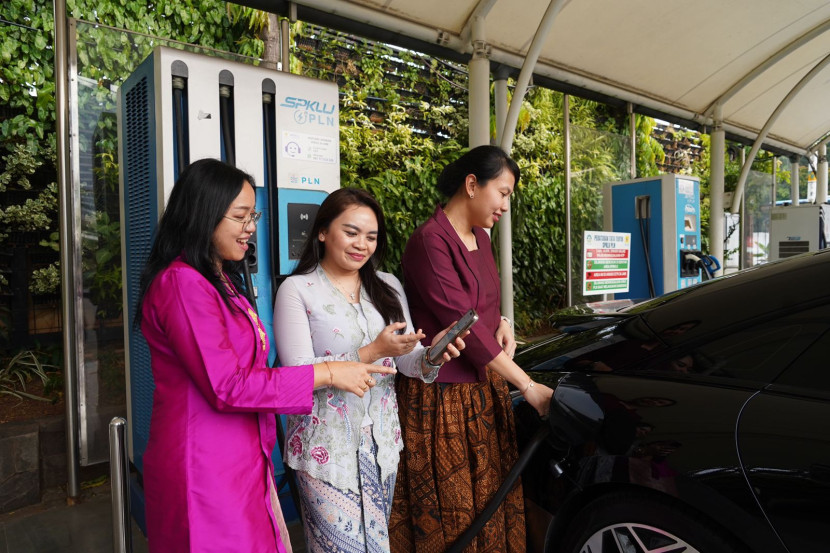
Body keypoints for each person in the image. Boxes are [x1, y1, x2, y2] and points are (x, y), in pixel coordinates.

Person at [134, 159, 391, 553]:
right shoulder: (181, 283)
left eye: (252, 215)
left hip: (241, 457)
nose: (251, 227)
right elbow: (228, 384)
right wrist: (328, 373)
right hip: (202, 465)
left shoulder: (219, 280)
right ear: (203, 213)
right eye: (240, 216)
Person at [273, 188, 466, 553]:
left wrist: (433, 354)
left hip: (380, 444)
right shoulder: (297, 290)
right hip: (325, 449)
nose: (362, 244)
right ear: (322, 232)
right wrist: (373, 350)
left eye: (371, 236)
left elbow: (405, 361)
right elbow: (295, 374)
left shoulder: (388, 285)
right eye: (351, 232)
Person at [389, 145, 555, 553]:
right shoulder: (430, 241)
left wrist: (504, 324)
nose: (505, 205)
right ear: (471, 185)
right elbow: (462, 324)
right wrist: (528, 386)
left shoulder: (480, 235)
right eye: (502, 192)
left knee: (493, 502)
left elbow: (485, 305)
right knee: (455, 513)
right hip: (442, 399)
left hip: (484, 391)